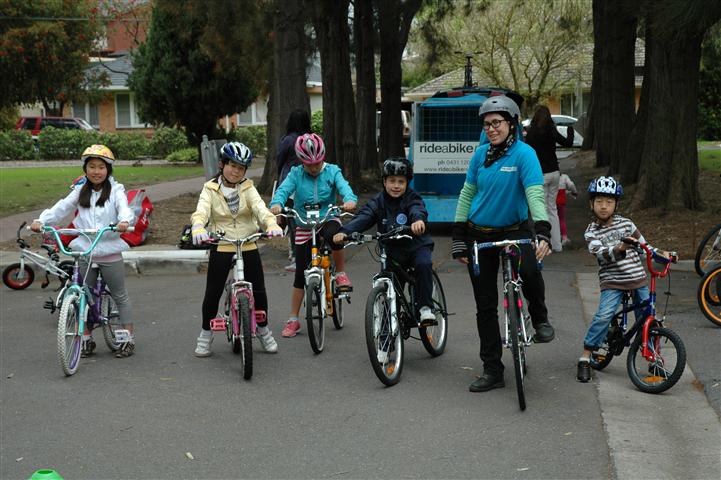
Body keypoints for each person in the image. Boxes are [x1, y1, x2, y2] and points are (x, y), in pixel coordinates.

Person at [451, 95, 555, 393]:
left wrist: (544, 230)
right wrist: (459, 236)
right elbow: (467, 194)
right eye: (487, 124)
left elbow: (535, 195)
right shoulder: (479, 155)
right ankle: (492, 369)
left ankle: (540, 318)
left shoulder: (525, 154)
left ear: (511, 124)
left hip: (515, 229)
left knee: (531, 270)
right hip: (479, 234)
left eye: (497, 123)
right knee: (485, 306)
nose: (491, 129)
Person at [31, 144, 136, 358]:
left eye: (101, 167)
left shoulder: (116, 190)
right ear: (85, 169)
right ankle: (86, 339)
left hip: (109, 250)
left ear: (108, 170)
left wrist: (124, 220)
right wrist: (41, 220)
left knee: (119, 295)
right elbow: (61, 208)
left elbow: (125, 208)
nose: (96, 171)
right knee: (82, 296)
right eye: (92, 167)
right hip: (85, 250)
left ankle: (127, 339)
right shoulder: (80, 190)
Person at [190, 142, 284, 357]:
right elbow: (201, 212)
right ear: (222, 165)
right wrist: (198, 227)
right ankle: (205, 334)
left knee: (259, 290)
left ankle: (263, 330)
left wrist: (271, 224)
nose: (236, 171)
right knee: (212, 292)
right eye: (232, 165)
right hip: (222, 244)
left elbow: (260, 209)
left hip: (247, 241)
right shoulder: (210, 188)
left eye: (241, 168)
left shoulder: (248, 188)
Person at [577, 176, 671, 383]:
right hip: (612, 281)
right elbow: (599, 252)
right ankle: (585, 357)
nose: (604, 206)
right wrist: (619, 248)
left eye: (609, 202)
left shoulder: (627, 224)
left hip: (637, 279)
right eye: (599, 201)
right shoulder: (591, 231)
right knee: (603, 316)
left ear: (616, 204)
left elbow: (645, 247)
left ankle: (654, 360)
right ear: (591, 204)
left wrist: (662, 254)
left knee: (649, 318)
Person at [332, 157, 436, 342]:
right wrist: (345, 232)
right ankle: (386, 335)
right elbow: (364, 217)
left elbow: (417, 209)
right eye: (392, 181)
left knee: (423, 265)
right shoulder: (378, 202)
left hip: (415, 245)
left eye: (401, 182)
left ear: (407, 183)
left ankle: (425, 308)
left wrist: (418, 220)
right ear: (384, 181)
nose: (396, 186)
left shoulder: (412, 198)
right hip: (392, 250)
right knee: (390, 288)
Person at [269, 133, 357, 338]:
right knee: (301, 273)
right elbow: (283, 191)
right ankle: (293, 319)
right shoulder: (295, 174)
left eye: (317, 163)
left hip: (328, 218)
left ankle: (340, 273)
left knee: (336, 236)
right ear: (301, 161)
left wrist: (349, 199)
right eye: (309, 165)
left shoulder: (332, 171)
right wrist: (276, 204)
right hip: (304, 223)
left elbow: (345, 188)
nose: (314, 168)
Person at [524, 105, 574, 252]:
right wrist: (570, 130)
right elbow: (568, 143)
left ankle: (543, 243)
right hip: (555, 173)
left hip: (540, 174)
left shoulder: (531, 134)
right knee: (552, 209)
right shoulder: (552, 131)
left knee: (540, 209)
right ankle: (557, 244)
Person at [276, 109, 312, 272]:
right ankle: (313, 252)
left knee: (293, 221)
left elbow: (280, 160)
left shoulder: (288, 140)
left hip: (290, 184)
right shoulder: (311, 138)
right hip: (309, 183)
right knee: (310, 218)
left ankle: (297, 257)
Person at [557, 171, 578, 246]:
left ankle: (555, 237)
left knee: (552, 219)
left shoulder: (546, 176)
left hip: (551, 202)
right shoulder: (564, 177)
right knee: (561, 219)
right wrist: (574, 192)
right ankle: (564, 238)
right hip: (561, 201)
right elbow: (571, 185)